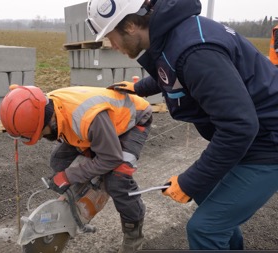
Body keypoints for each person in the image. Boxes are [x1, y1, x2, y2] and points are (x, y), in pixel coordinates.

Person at [86, 0, 278, 250]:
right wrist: (139, 88)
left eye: (112, 37)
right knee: (206, 193)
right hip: (255, 136)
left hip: (268, 144)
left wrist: (189, 181)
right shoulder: (174, 36)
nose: (113, 46)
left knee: (205, 230)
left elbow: (239, 127)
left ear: (131, 25)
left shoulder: (195, 50)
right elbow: (175, 72)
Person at [0, 85, 152, 253]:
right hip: (100, 127)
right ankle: (80, 201)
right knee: (59, 160)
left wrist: (70, 175)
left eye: (39, 134)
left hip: (132, 120)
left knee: (117, 179)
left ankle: (133, 233)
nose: (41, 137)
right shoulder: (44, 105)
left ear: (44, 122)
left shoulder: (87, 118)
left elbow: (111, 158)